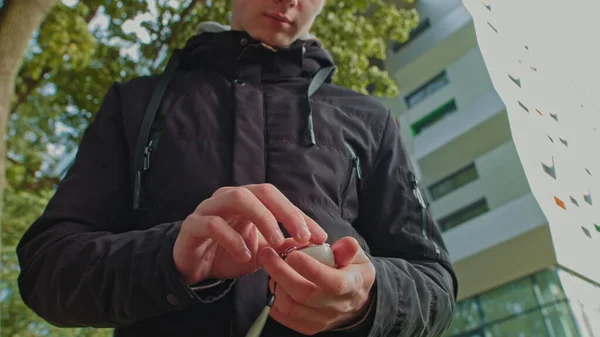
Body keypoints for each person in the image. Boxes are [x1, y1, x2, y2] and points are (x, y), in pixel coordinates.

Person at [16, 0, 458, 336]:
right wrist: (171, 257)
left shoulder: (370, 118)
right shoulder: (135, 103)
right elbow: (46, 269)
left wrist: (370, 295)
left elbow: (436, 284)